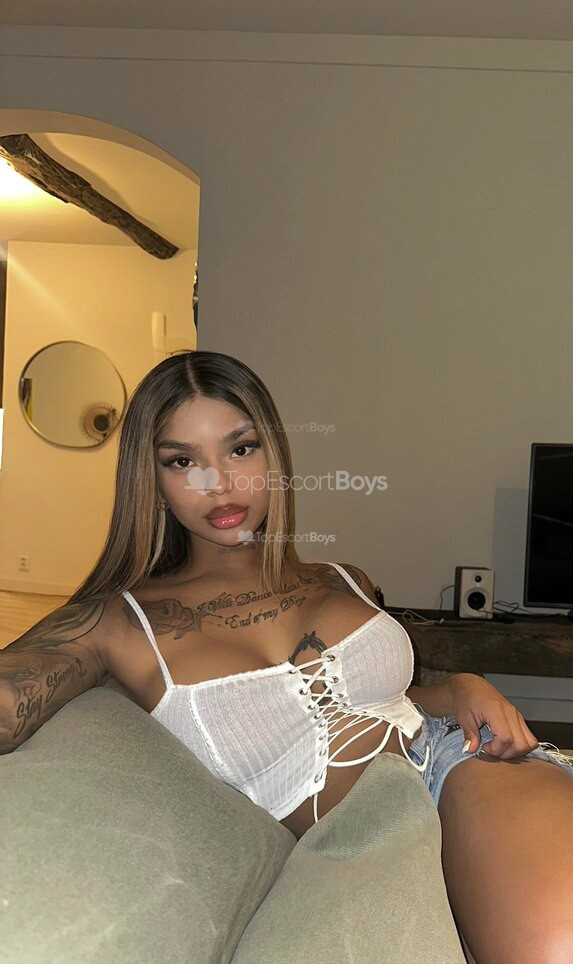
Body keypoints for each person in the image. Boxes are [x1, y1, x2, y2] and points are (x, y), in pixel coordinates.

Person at [2, 350, 573, 963]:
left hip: (462, 764)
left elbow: (380, 701)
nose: (219, 483)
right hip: (352, 846)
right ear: (153, 481)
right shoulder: (112, 622)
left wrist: (459, 687)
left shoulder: (342, 578)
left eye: (240, 448)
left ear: (273, 456)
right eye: (183, 460)